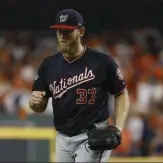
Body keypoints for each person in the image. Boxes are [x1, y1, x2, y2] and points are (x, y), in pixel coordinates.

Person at [29, 9, 130, 162]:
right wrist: (34, 103)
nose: (62, 35)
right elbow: (39, 107)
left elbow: (121, 93)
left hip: (92, 136)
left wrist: (119, 127)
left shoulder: (102, 62)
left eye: (68, 31)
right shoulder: (48, 65)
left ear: (81, 31)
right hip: (62, 137)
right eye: (59, 31)